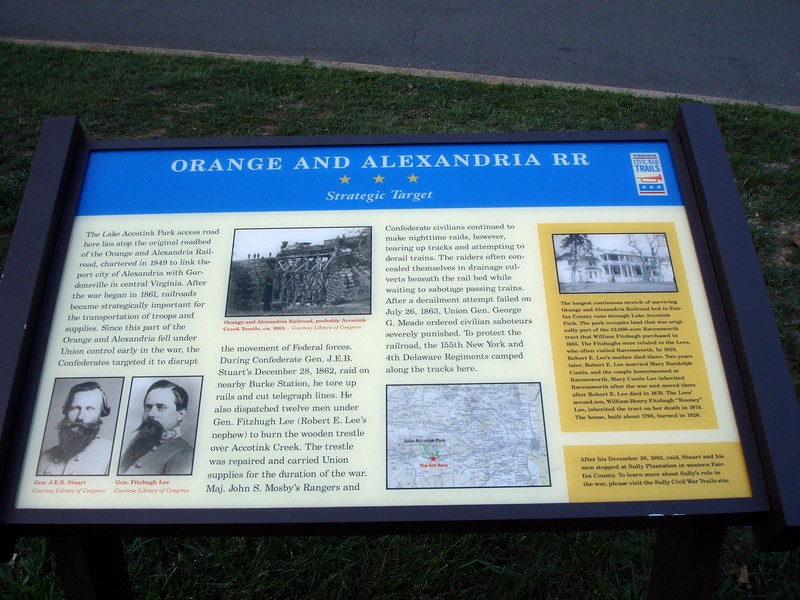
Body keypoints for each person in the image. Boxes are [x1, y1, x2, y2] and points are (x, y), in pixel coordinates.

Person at [119, 379, 194, 475]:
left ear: (180, 414)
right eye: (148, 407)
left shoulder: (184, 454)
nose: (150, 414)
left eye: (161, 408)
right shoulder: (135, 446)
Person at [37, 381, 113, 476]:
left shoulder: (111, 454)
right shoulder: (44, 457)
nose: (80, 417)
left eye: (89, 409)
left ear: (100, 414)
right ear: (66, 411)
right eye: (75, 408)